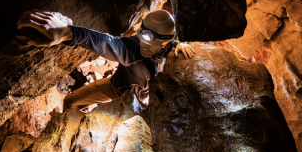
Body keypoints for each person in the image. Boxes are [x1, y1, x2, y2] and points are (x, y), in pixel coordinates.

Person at [17, 9, 195, 111]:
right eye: (143, 36)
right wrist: (69, 32)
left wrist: (179, 44)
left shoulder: (170, 48)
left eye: (151, 41)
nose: (144, 45)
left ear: (166, 41)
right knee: (70, 101)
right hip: (116, 88)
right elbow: (105, 42)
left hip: (145, 104)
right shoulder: (131, 49)